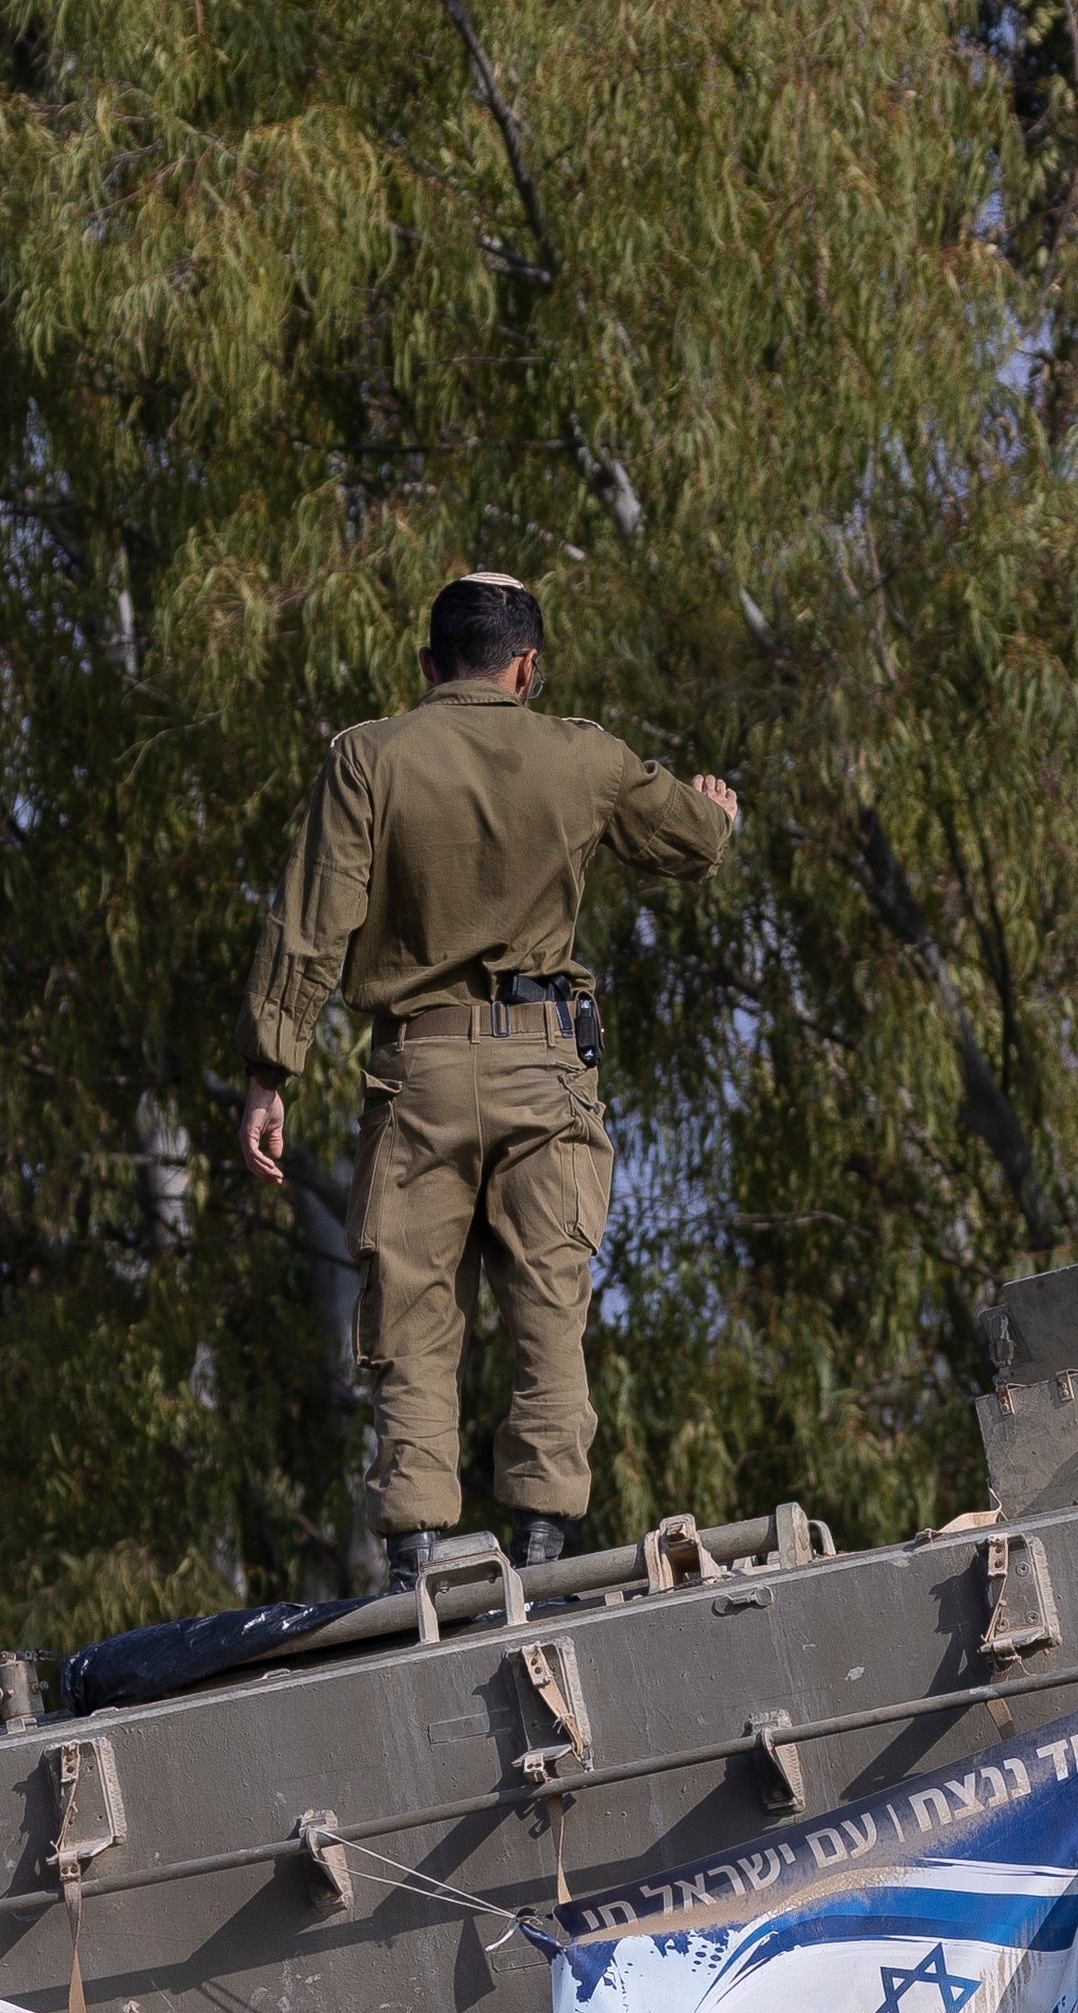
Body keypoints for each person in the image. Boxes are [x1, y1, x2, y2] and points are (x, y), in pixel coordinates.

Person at [238, 570, 739, 1583]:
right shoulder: (581, 756)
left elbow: (308, 925)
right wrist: (716, 814)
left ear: (427, 666)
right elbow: (685, 840)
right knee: (548, 1312)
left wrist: (268, 1069)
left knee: (412, 1323)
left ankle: (416, 1561)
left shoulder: (366, 759)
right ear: (527, 667)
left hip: (415, 1071)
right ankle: (543, 1554)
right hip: (545, 1072)